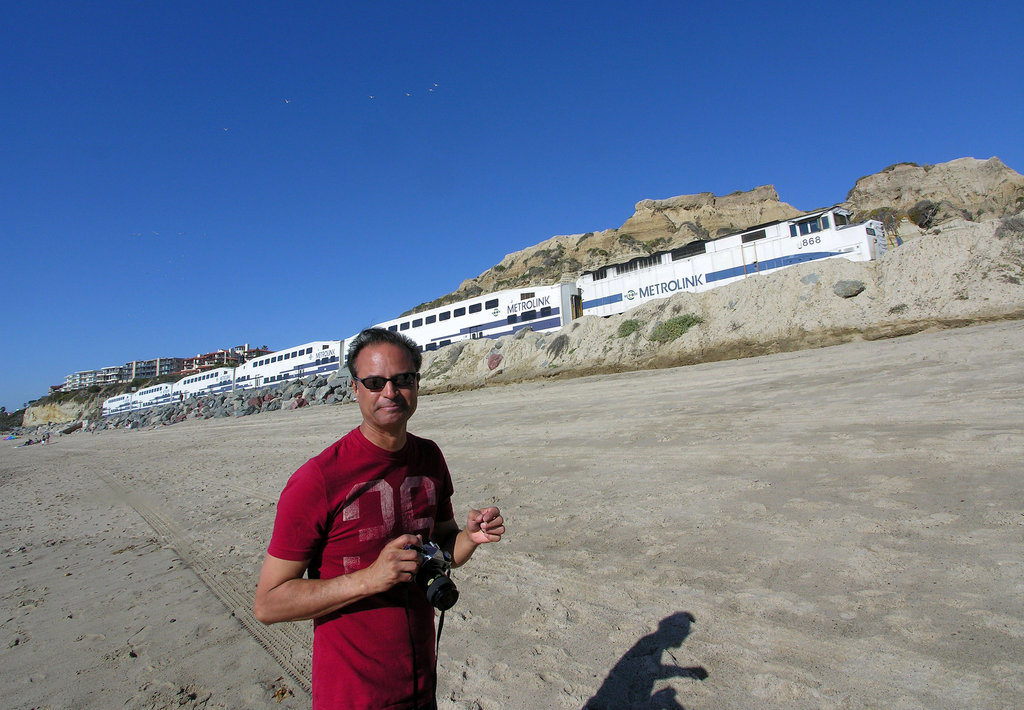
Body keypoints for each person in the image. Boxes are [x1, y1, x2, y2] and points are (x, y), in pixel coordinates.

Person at [254, 328, 505, 710]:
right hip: (352, 696)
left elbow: (442, 548)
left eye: (403, 379)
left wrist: (469, 537)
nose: (390, 391)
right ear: (355, 389)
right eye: (374, 382)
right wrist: (370, 579)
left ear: (417, 384)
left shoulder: (429, 458)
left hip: (421, 686)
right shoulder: (317, 480)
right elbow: (269, 604)